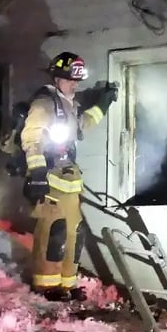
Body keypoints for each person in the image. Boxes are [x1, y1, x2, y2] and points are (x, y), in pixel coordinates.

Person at [21, 51, 118, 300]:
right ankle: (46, 284)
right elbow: (31, 138)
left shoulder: (69, 105)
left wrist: (103, 104)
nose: (74, 83)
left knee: (74, 233)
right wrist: (38, 174)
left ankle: (67, 283)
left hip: (70, 181)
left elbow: (82, 125)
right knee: (54, 230)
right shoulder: (44, 103)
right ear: (56, 78)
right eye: (68, 79)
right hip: (51, 178)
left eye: (76, 80)